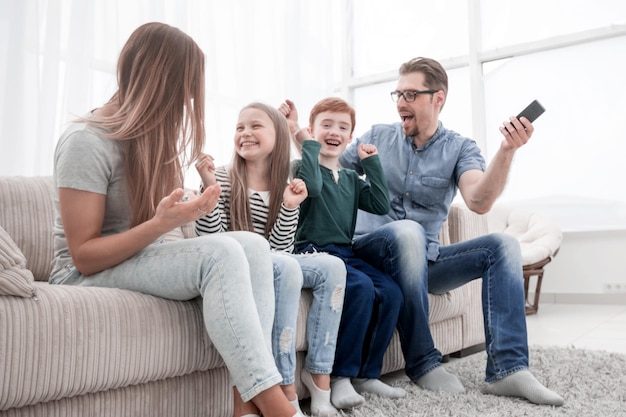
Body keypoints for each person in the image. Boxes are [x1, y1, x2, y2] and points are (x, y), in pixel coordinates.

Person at [49, 23, 302, 417]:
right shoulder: (86, 140)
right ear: (157, 81)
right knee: (219, 254)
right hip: (82, 273)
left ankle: (244, 409)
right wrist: (162, 224)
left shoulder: (153, 143)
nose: (187, 102)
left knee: (252, 245)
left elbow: (163, 232)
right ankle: (277, 408)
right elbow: (82, 256)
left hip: (137, 259)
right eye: (183, 89)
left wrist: (187, 212)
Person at [332, 57, 563, 406]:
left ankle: (509, 369)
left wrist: (507, 150)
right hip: (370, 251)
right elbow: (331, 168)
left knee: (502, 246)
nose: (400, 102)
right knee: (407, 231)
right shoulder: (377, 136)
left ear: (437, 98)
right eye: (397, 93)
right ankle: (423, 362)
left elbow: (479, 200)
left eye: (410, 94)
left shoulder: (459, 148)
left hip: (424, 261)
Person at [195, 102, 346, 417]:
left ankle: (319, 375)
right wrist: (209, 189)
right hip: (238, 267)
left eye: (255, 126)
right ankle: (285, 384)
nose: (245, 133)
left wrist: (290, 206)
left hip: (275, 261)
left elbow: (281, 248)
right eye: (240, 127)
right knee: (286, 266)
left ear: (277, 135)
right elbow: (211, 242)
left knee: (333, 266)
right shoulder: (221, 176)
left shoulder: (284, 184)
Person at [280, 97, 406, 411]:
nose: (335, 131)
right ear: (312, 131)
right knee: (361, 289)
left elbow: (379, 204)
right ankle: (340, 376)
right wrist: (302, 138)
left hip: (345, 253)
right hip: (312, 252)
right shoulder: (302, 168)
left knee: (391, 292)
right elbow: (314, 187)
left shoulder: (350, 178)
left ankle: (367, 372)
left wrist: (371, 164)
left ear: (350, 137)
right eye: (326, 125)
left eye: (343, 127)